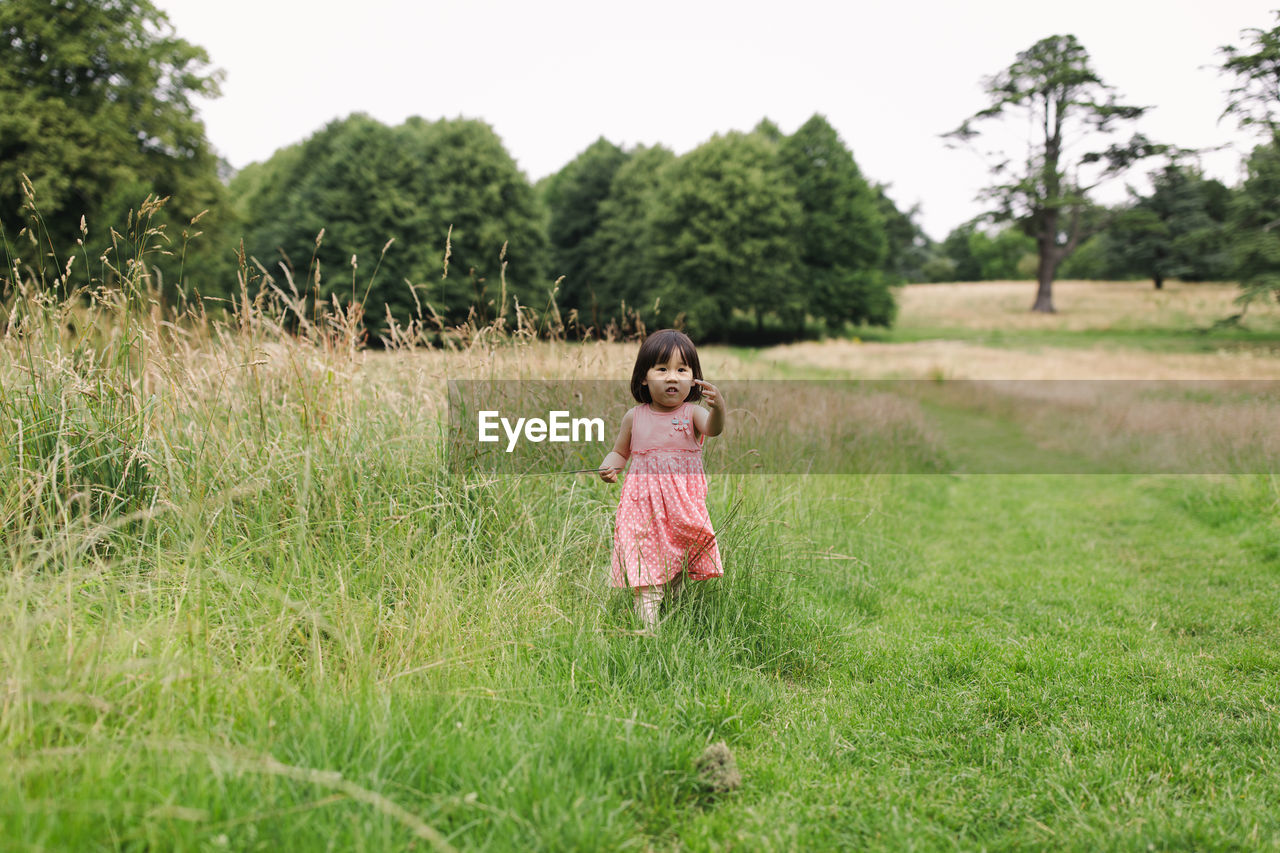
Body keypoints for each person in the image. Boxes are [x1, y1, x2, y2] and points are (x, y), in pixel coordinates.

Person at [599, 329, 726, 630]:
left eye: (682, 369)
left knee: (676, 569)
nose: (672, 377)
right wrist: (609, 466)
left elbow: (714, 428)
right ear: (644, 377)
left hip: (681, 510)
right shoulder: (635, 417)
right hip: (642, 509)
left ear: (694, 377)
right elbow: (620, 452)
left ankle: (671, 610)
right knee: (647, 576)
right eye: (662, 369)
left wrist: (718, 407)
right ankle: (648, 634)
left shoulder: (692, 414)